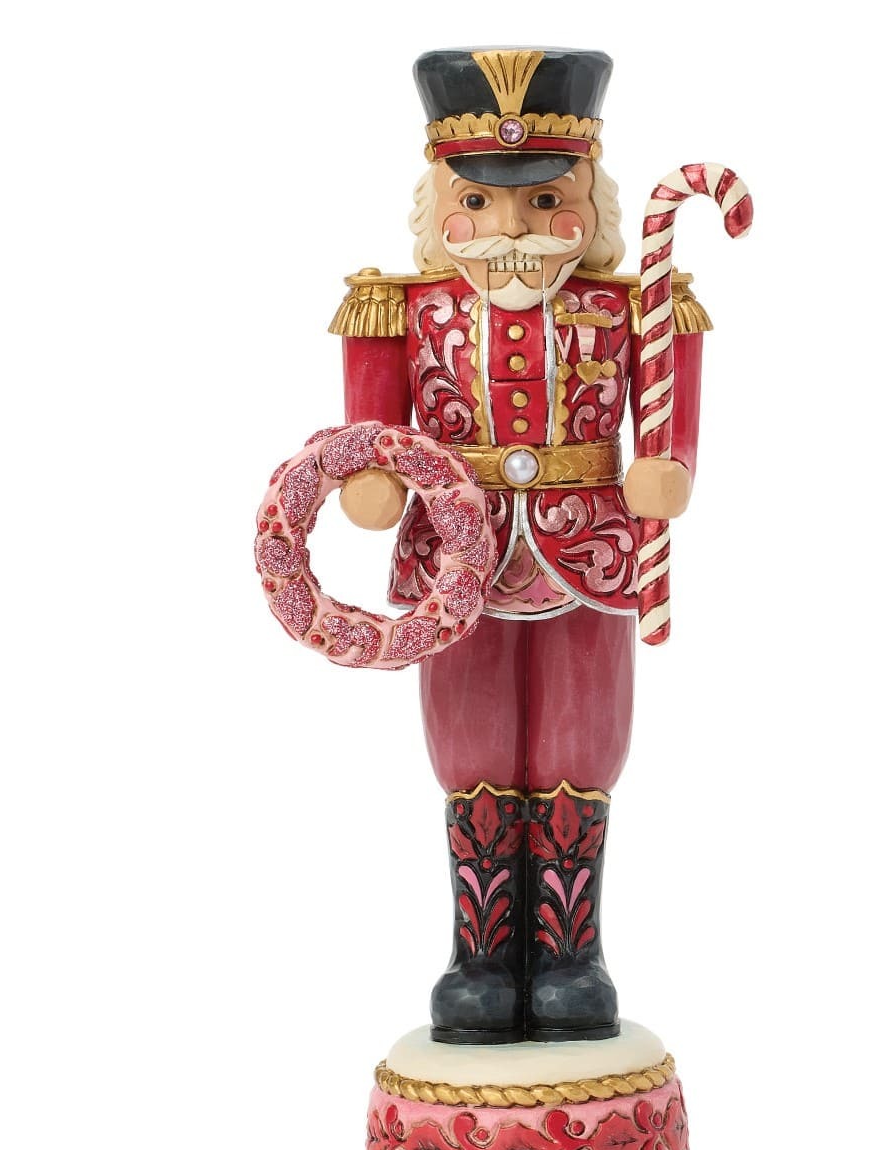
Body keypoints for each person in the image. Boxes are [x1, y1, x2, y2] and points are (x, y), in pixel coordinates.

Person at [330, 47, 711, 1043]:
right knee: (473, 743)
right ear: (438, 203)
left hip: (587, 551)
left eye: (545, 202)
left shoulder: (632, 307)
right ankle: (483, 953)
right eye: (479, 203)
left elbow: (670, 428)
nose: (510, 229)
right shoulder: (403, 309)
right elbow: (370, 436)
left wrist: (665, 470)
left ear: (588, 199)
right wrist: (371, 483)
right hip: (455, 557)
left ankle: (571, 952)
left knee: (579, 740)